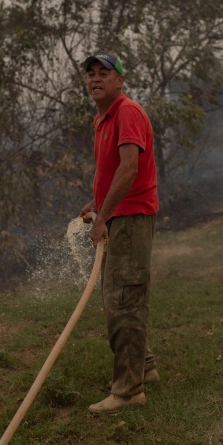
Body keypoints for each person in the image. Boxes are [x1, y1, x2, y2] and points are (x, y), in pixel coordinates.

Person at [79, 51, 160, 414]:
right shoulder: (102, 118)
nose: (96, 79)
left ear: (120, 80)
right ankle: (143, 367)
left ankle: (129, 392)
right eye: (90, 74)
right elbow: (112, 171)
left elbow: (129, 170)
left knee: (123, 301)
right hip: (117, 216)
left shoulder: (127, 112)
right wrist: (95, 203)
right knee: (121, 297)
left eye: (104, 73)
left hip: (129, 220)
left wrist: (103, 219)